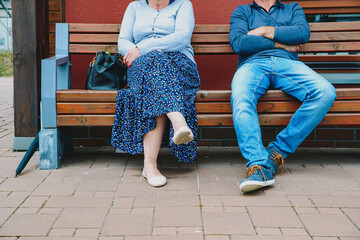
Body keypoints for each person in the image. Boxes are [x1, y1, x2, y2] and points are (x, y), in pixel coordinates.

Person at [229, 0, 336, 193]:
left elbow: (302, 34)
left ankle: (276, 152)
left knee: (325, 92)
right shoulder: (242, 11)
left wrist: (262, 31)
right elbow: (239, 43)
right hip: (252, 65)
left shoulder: (292, 8)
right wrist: (281, 43)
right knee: (241, 96)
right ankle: (258, 166)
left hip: (287, 65)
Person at [111, 0, 200, 187]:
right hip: (142, 66)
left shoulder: (183, 5)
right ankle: (178, 122)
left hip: (179, 65)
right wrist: (137, 52)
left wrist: (144, 48)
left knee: (154, 85)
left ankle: (149, 165)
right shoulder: (134, 7)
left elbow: (182, 38)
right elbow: (123, 40)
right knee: (154, 66)